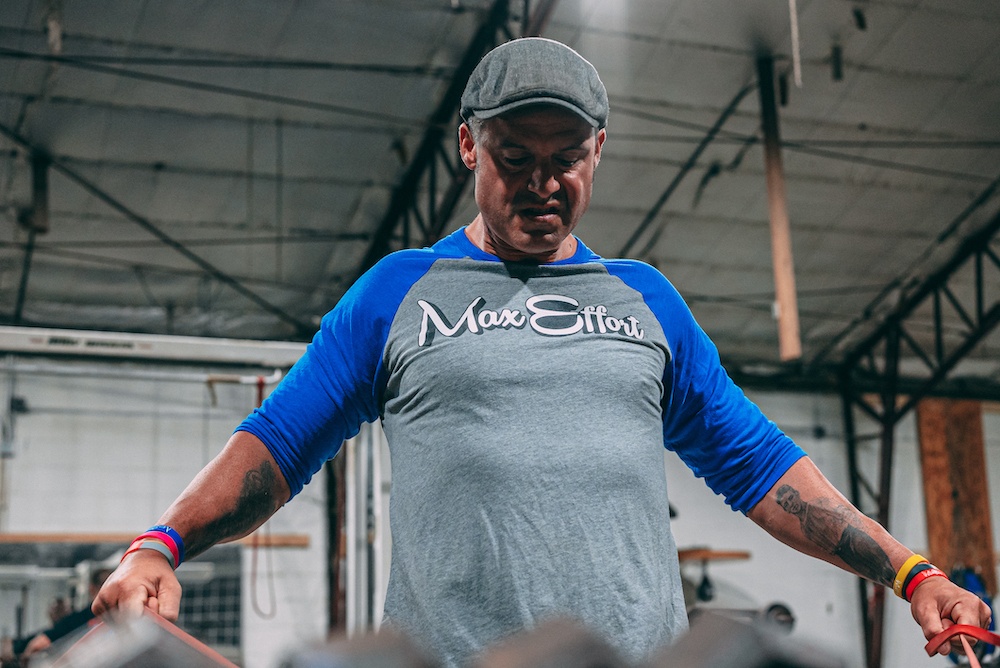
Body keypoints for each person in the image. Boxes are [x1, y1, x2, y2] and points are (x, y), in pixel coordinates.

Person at [93, 37, 990, 666]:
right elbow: (278, 442)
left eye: (566, 158)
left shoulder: (646, 300)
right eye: (513, 156)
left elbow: (760, 465)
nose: (542, 183)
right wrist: (158, 545)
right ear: (467, 145)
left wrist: (910, 572)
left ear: (599, 151)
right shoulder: (399, 291)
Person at [13, 567, 113, 662]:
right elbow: (37, 645)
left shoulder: (78, 620)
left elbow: (36, 646)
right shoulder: (81, 619)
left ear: (91, 588)